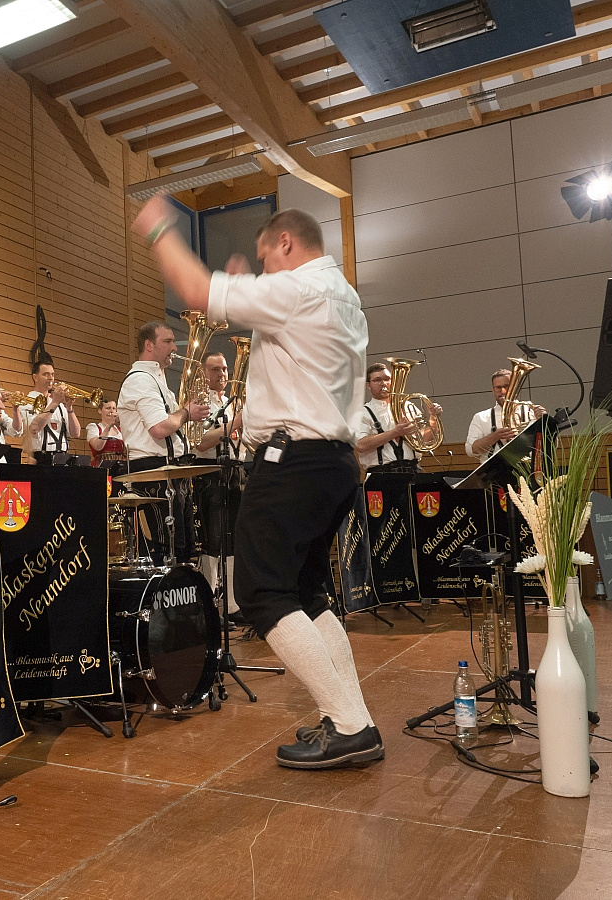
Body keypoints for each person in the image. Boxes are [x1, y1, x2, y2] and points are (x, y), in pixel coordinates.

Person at [133, 197, 382, 770]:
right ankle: (355, 719)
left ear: (286, 244)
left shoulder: (296, 289)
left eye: (267, 258)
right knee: (307, 594)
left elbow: (195, 290)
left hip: (293, 463)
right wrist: (254, 288)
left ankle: (350, 725)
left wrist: (160, 228)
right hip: (335, 461)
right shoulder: (344, 296)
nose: (266, 270)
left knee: (261, 593)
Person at [116, 321, 209, 563]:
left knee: (185, 549)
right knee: (167, 550)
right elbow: (159, 428)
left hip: (171, 472)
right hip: (153, 474)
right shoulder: (140, 380)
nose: (174, 348)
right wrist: (186, 412)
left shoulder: (158, 380)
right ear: (149, 345)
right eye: (167, 341)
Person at [192, 350, 241, 618]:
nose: (222, 374)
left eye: (224, 369)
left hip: (235, 470)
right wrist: (236, 422)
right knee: (212, 540)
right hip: (209, 472)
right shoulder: (199, 402)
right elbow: (200, 442)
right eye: (215, 369)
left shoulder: (230, 402)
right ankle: (208, 605)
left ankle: (232, 604)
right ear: (203, 373)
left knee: (233, 540)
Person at [353, 361, 440, 473]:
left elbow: (424, 440)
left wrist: (433, 418)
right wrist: (395, 432)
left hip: (413, 469)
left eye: (387, 379)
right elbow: (360, 445)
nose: (384, 383)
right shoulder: (363, 412)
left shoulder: (407, 406)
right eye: (377, 380)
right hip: (382, 473)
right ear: (368, 385)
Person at [465, 368, 546, 460]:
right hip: (495, 468)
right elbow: (470, 451)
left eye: (506, 386)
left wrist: (544, 421)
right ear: (493, 390)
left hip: (530, 466)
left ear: (515, 387)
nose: (503, 391)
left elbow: (552, 445)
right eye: (498, 387)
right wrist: (494, 437)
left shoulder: (531, 411)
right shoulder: (480, 417)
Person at [18, 357, 80, 462]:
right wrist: (55, 403)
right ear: (35, 377)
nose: (51, 378)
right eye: (46, 374)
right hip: (40, 458)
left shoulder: (59, 405)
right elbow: (34, 428)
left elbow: (76, 434)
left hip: (62, 458)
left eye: (52, 374)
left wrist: (69, 408)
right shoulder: (27, 401)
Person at [86, 398, 123, 466]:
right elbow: (98, 446)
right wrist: (109, 426)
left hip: (119, 465)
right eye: (108, 408)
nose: (111, 411)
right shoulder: (94, 427)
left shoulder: (120, 430)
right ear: (100, 411)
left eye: (114, 408)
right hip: (101, 466)